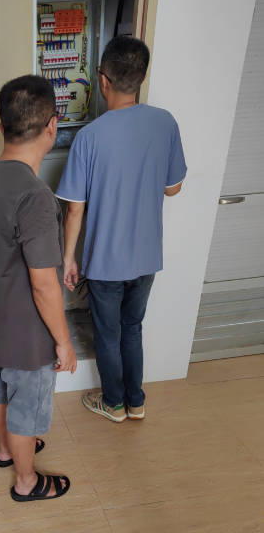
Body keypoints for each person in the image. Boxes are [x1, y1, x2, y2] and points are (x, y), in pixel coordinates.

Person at [57, 35, 187, 423]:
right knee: (132, 329)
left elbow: (74, 210)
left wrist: (68, 258)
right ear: (142, 77)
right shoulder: (165, 123)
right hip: (146, 257)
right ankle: (136, 401)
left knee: (108, 333)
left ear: (103, 80)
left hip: (106, 262)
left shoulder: (89, 137)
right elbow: (173, 188)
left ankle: (113, 403)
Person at [0, 75, 77, 503]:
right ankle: (25, 482)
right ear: (53, 125)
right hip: (27, 334)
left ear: (2, 127)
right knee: (26, 408)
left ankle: (5, 450)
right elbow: (44, 284)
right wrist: (64, 342)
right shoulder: (35, 196)